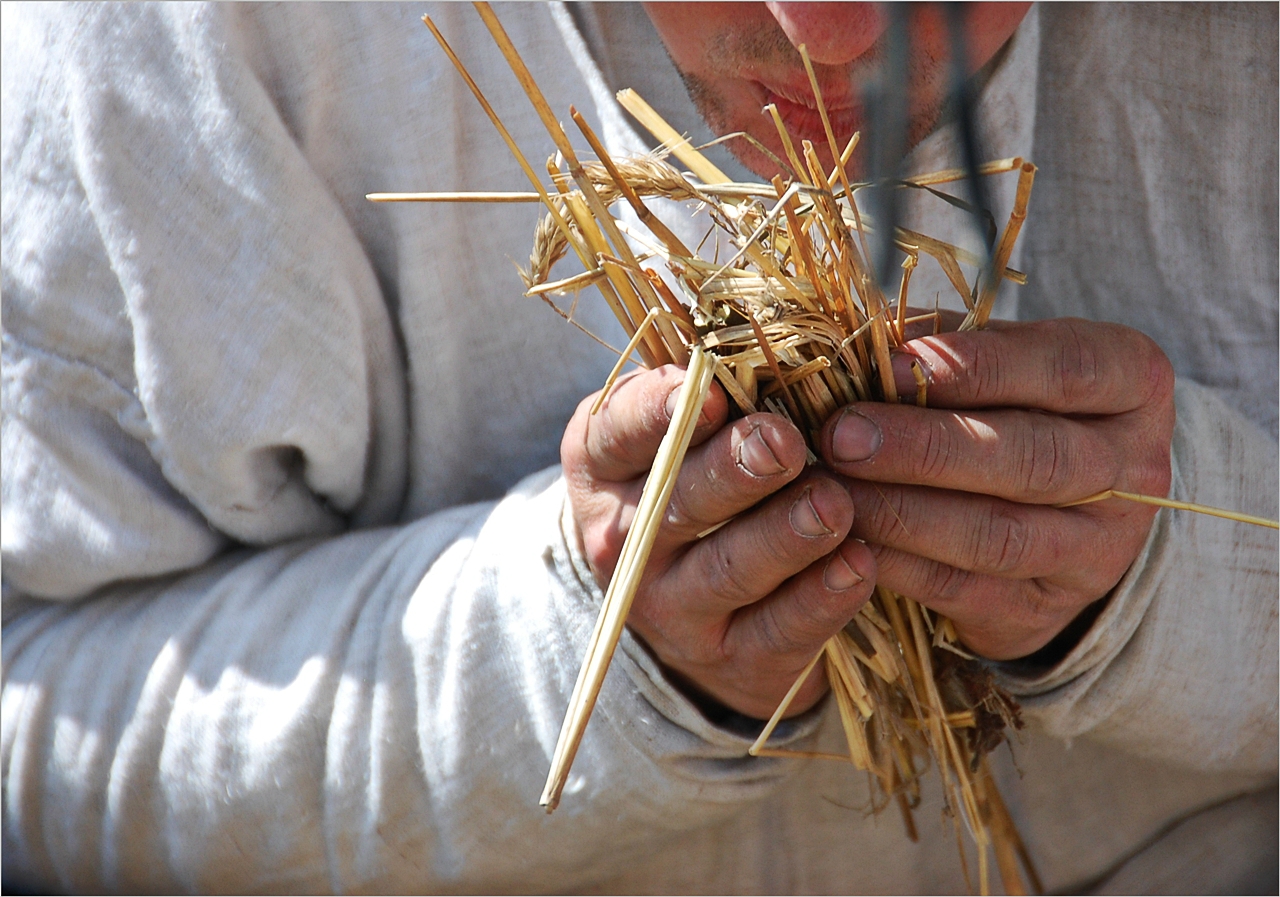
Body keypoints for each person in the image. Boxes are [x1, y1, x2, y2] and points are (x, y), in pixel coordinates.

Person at [2, 2, 1275, 893]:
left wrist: (1193, 574)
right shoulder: (186, 43)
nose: (831, 34)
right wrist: (579, 644)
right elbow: (34, 720)